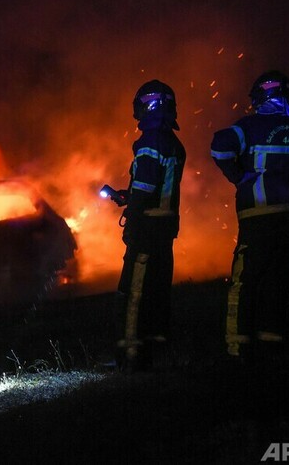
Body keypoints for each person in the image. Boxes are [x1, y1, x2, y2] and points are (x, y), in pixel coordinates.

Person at [210, 70, 289, 363]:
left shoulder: (247, 127)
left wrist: (238, 176)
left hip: (257, 218)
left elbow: (219, 147)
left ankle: (238, 349)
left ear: (258, 98)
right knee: (278, 282)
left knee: (245, 282)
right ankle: (271, 346)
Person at [114, 79, 186, 371]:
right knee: (158, 290)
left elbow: (145, 188)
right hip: (165, 228)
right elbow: (157, 186)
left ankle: (131, 355)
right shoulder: (173, 142)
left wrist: (132, 219)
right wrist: (128, 195)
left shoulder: (149, 143)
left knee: (134, 291)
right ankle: (158, 350)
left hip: (146, 228)